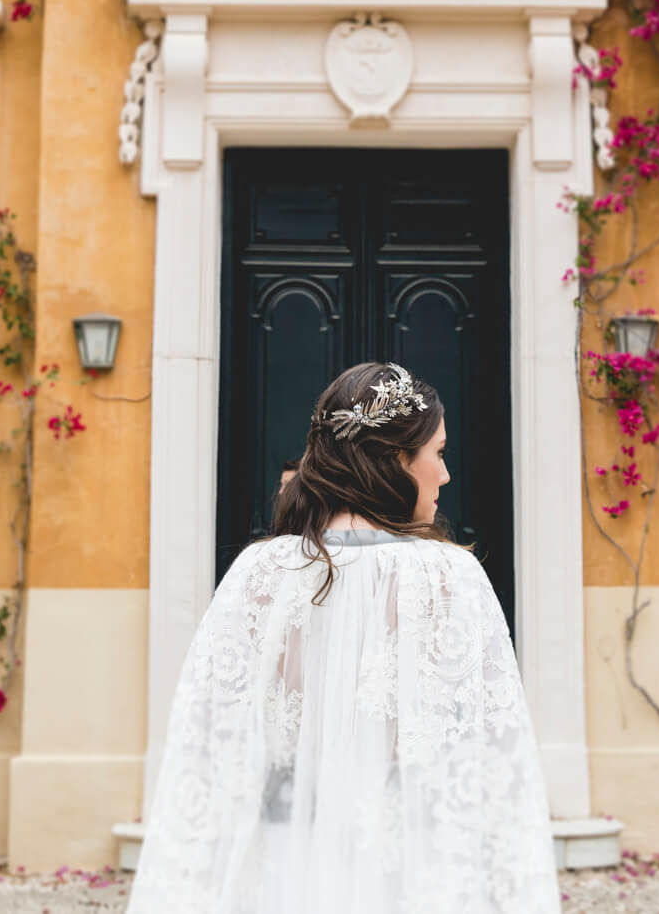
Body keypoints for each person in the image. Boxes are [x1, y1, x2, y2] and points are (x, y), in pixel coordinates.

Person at [128, 362, 560, 914]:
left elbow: (218, 740)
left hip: (288, 853)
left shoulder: (259, 573)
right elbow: (491, 761)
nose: (445, 474)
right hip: (412, 857)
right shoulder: (450, 577)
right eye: (439, 453)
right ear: (399, 460)